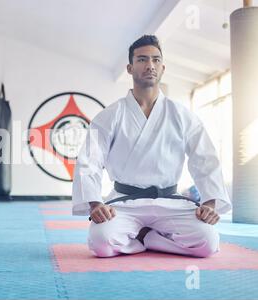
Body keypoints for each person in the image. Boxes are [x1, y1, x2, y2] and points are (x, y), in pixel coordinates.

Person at [72, 35, 231, 258]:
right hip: (124, 202)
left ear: (163, 67)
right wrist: (96, 204)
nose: (150, 65)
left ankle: (148, 238)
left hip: (170, 202)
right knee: (101, 242)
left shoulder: (182, 115)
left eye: (156, 60)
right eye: (142, 60)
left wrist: (210, 204)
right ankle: (151, 237)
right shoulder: (110, 115)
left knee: (208, 241)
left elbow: (205, 159)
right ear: (129, 67)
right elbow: (90, 161)